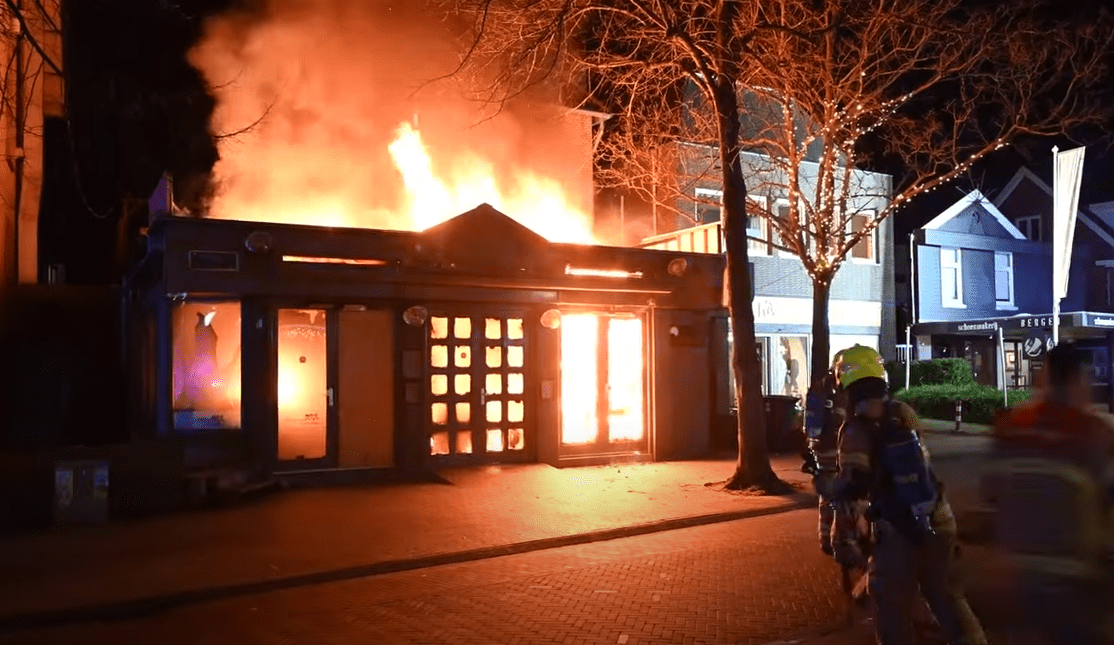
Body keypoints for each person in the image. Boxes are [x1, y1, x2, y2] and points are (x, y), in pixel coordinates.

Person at [830, 344, 987, 645]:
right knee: (948, 599)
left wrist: (837, 506)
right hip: (939, 519)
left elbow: (855, 486)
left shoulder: (854, 430)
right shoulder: (904, 413)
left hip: (897, 532)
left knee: (891, 608)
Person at [985, 341, 1114, 645]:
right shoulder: (1090, 431)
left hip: (1016, 580)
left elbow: (992, 492)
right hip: (1075, 580)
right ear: (1077, 380)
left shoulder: (1010, 427)